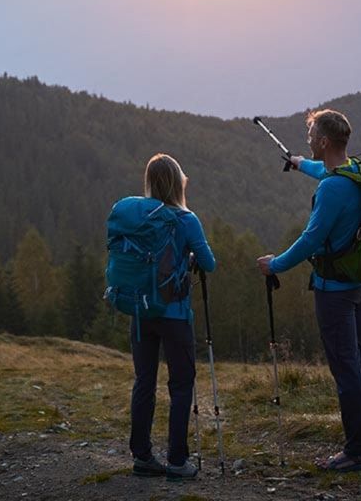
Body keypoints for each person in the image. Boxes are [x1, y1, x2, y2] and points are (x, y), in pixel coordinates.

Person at [256, 109, 361, 472]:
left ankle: (358, 449)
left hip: (334, 291)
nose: (308, 140)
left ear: (324, 141)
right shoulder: (355, 172)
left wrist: (275, 263)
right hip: (357, 283)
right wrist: (298, 163)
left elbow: (311, 239)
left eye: (310, 135)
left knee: (346, 369)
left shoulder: (331, 189)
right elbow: (324, 171)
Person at [128, 153, 216, 480]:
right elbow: (209, 264)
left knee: (144, 382)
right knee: (181, 385)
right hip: (175, 314)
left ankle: (142, 456)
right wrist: (189, 254)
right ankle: (178, 461)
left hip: (140, 310)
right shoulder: (186, 219)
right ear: (178, 182)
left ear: (150, 182)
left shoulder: (138, 217)